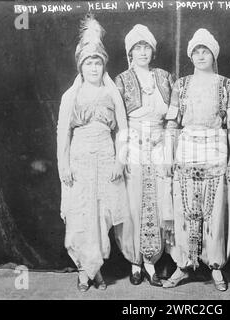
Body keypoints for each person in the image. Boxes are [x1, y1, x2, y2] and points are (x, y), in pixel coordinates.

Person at [57, 14, 131, 292]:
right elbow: (62, 132)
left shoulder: (112, 94)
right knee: (80, 215)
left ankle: (96, 268)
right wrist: (62, 164)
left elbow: (122, 129)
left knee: (102, 215)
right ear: (81, 66)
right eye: (88, 62)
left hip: (105, 155)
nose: (93, 67)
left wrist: (120, 160)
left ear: (103, 65)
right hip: (79, 157)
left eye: (97, 62)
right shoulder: (70, 96)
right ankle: (83, 271)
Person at [163, 29, 230, 292]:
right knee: (183, 209)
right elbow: (171, 124)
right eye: (196, 51)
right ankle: (182, 265)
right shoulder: (181, 84)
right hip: (186, 150)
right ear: (190, 55)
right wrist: (168, 156)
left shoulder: (226, 84)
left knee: (215, 211)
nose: (201, 55)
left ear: (213, 54)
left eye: (205, 50)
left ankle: (215, 266)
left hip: (216, 150)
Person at [115, 24, 175, 287]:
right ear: (130, 52)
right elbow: (118, 123)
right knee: (133, 203)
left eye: (146, 47)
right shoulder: (121, 80)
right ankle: (135, 262)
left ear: (152, 51)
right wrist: (123, 152)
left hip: (160, 145)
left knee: (160, 200)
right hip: (134, 145)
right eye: (137, 48)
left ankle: (152, 263)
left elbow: (174, 116)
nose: (142, 52)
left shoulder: (164, 77)